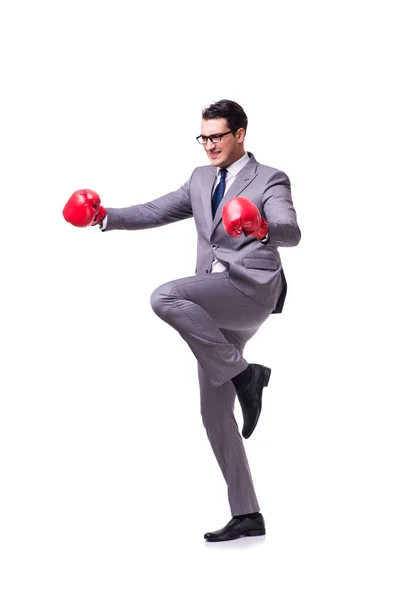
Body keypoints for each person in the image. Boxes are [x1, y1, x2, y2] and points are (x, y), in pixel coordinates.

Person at [63, 99, 301, 542]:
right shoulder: (200, 179)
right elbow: (156, 210)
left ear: (240, 134)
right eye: (204, 136)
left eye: (217, 136)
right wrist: (104, 216)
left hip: (250, 290)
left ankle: (245, 375)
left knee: (165, 296)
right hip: (211, 306)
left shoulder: (269, 179)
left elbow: (292, 230)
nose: (209, 144)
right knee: (214, 413)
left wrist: (261, 227)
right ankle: (248, 514)